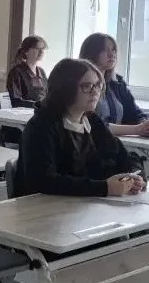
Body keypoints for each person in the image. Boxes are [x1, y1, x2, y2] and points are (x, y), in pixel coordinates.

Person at [14, 58, 144, 198]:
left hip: (82, 205)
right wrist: (105, 187)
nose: (95, 92)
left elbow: (124, 156)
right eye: (87, 86)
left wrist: (135, 175)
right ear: (65, 89)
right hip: (41, 206)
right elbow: (44, 181)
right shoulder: (41, 126)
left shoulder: (91, 121)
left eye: (98, 85)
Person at [79, 32, 149, 137]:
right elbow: (90, 124)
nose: (112, 54)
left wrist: (145, 125)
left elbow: (135, 113)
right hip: (91, 142)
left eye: (113, 50)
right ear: (91, 53)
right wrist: (136, 130)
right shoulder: (82, 83)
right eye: (105, 50)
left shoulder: (118, 83)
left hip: (115, 141)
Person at [6, 35, 48, 108]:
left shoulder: (42, 71)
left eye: (43, 49)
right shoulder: (16, 72)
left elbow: (47, 95)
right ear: (26, 51)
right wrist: (39, 105)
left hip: (41, 110)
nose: (41, 52)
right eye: (37, 48)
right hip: (23, 112)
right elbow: (16, 101)